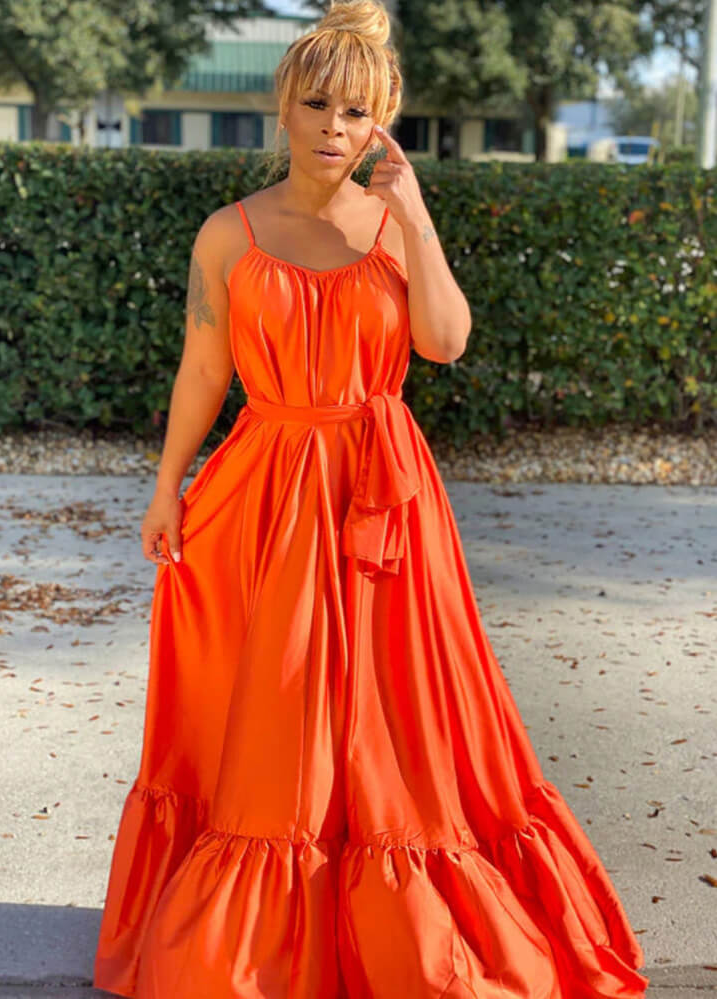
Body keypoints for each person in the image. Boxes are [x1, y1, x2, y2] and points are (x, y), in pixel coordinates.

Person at [93, 1, 650, 996]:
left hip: (384, 497)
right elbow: (203, 371)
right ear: (283, 107)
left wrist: (419, 217)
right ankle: (272, 933)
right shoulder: (228, 234)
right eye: (316, 105)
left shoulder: (397, 226)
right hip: (267, 493)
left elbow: (445, 341)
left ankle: (399, 921)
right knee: (280, 712)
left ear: (380, 123)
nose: (333, 128)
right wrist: (166, 486)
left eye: (356, 113)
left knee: (398, 711)